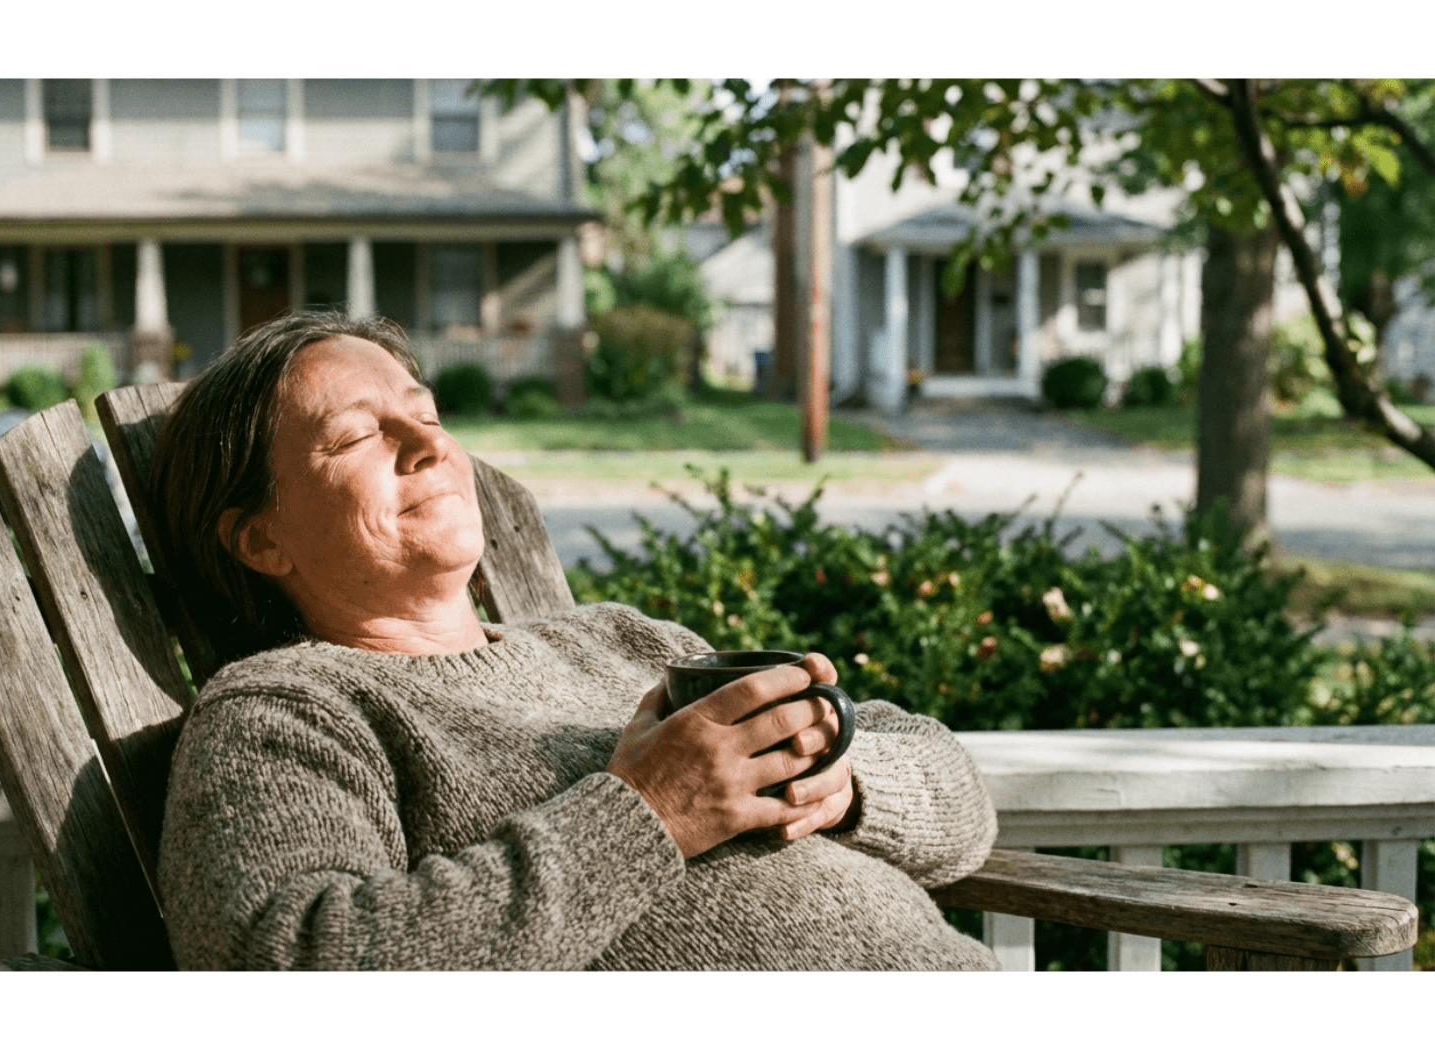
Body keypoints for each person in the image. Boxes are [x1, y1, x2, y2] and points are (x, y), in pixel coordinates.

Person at [152, 311, 999, 970]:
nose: (430, 445)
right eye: (356, 436)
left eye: (428, 414)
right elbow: (290, 963)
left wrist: (842, 786)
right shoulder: (285, 713)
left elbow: (964, 804)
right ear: (261, 541)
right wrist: (650, 815)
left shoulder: (617, 638)